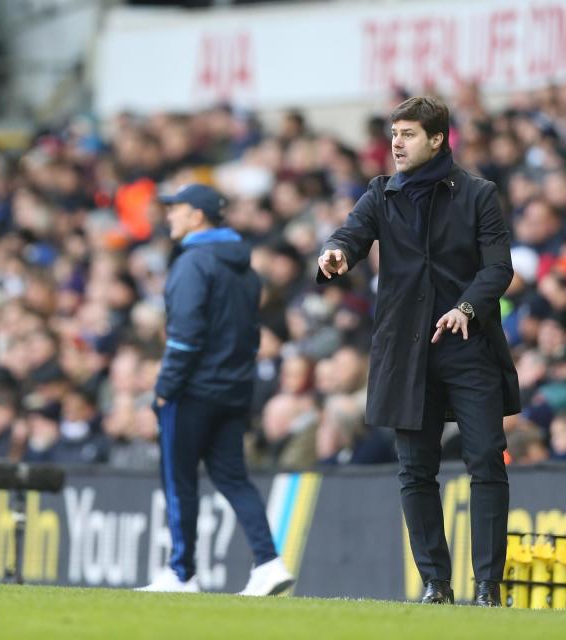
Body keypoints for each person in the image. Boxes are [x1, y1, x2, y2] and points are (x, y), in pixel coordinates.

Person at [317, 96, 519, 606]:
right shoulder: (381, 194)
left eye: (408, 134)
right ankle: (436, 583)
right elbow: (351, 233)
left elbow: (498, 268)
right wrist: (336, 253)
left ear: (437, 139)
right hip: (407, 351)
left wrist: (467, 309)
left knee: (486, 460)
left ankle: (488, 586)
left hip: (467, 345)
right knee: (415, 471)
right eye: (394, 134)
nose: (396, 144)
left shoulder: (479, 194)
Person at [137, 183, 294, 595]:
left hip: (192, 391)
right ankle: (268, 563)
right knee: (234, 478)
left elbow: (185, 336)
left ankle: (181, 573)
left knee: (179, 480)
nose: (169, 215)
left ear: (198, 216)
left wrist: (164, 388)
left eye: (177, 208)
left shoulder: (192, 264)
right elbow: (251, 335)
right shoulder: (245, 268)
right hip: (234, 389)